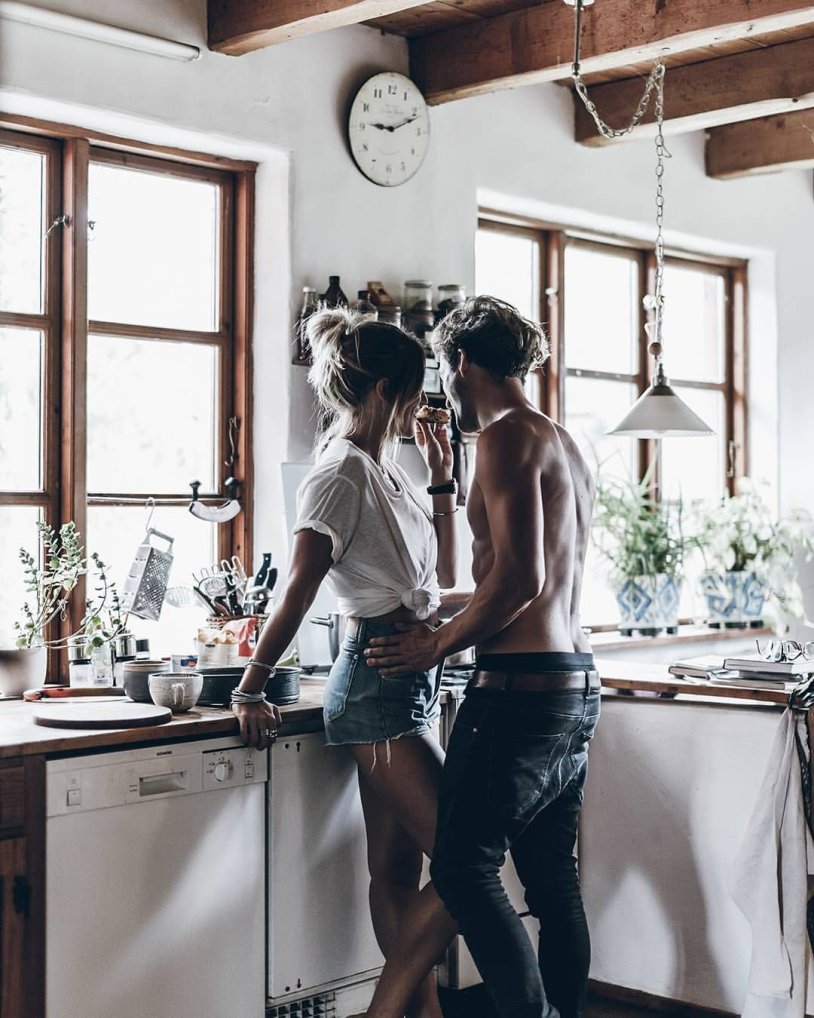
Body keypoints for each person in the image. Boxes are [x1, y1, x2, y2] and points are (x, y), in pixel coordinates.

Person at [364, 295, 601, 1018]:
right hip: (570, 684)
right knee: (551, 882)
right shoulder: (560, 439)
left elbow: (518, 582)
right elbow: (511, 570)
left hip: (519, 693)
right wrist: (444, 482)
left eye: (445, 369)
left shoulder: (505, 437)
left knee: (465, 875)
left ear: (461, 361)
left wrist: (433, 644)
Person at [231, 308, 458, 1018]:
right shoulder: (338, 474)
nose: (420, 408)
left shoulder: (388, 473)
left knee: (396, 872)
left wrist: (446, 478)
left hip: (411, 681)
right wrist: (250, 686)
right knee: (467, 861)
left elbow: (444, 578)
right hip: (374, 691)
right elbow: (299, 587)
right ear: (386, 388)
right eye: (415, 391)